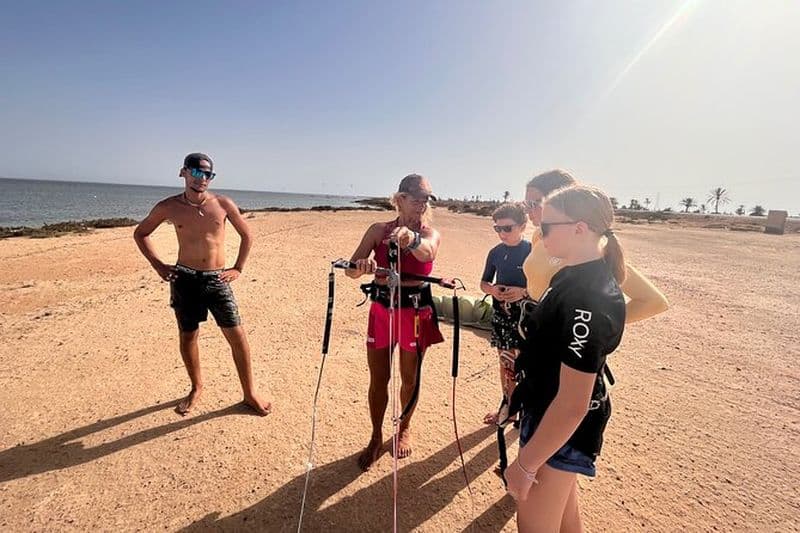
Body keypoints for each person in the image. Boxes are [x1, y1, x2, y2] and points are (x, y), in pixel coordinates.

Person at [505, 185, 626, 532]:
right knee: (566, 520)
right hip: (549, 415)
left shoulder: (589, 296)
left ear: (580, 228)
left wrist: (526, 465)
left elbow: (574, 402)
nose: (539, 235)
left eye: (546, 227)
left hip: (562, 427)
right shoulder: (570, 274)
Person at [133, 152, 271, 416]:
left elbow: (247, 234)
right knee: (188, 336)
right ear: (183, 172)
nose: (201, 179)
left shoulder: (222, 204)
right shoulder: (168, 206)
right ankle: (196, 387)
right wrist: (158, 265)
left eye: (207, 174)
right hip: (184, 279)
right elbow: (141, 233)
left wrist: (238, 268)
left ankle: (249, 393)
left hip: (217, 279)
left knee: (237, 336)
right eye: (196, 172)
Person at [346, 174, 444, 471]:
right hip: (381, 310)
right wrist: (362, 268)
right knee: (378, 379)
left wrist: (410, 238)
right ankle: (376, 436)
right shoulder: (378, 230)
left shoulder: (430, 233)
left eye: (426, 199)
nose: (422, 205)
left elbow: (428, 251)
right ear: (399, 199)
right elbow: (351, 270)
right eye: (416, 199)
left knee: (409, 378)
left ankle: (403, 428)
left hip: (415, 312)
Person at [522, 169, 669, 322]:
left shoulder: (593, 250)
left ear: (561, 202)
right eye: (526, 204)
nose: (527, 211)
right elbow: (538, 277)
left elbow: (653, 302)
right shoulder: (539, 235)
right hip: (532, 327)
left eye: (533, 204)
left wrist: (595, 326)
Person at [479, 202, 532, 426]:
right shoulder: (495, 253)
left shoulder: (533, 251)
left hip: (528, 317)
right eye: (497, 229)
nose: (502, 233)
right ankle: (509, 407)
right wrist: (493, 290)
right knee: (506, 362)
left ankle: (528, 411)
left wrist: (524, 292)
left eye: (507, 228)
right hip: (502, 315)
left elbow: (547, 286)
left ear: (522, 225)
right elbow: (484, 283)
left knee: (529, 364)